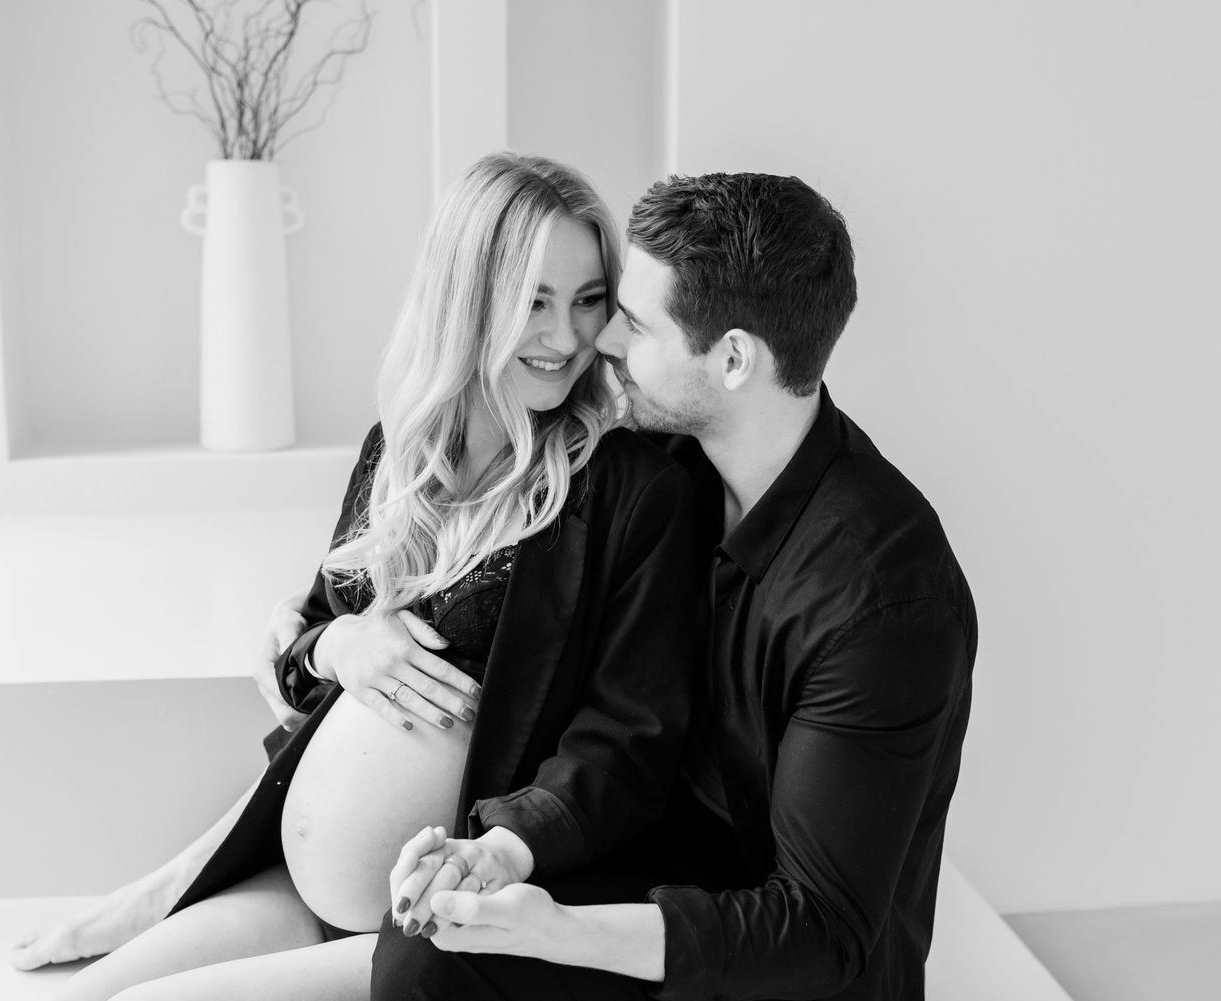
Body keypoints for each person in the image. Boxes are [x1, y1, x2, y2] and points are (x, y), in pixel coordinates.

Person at [10, 152, 703, 1001]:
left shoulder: (631, 487)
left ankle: (166, 893)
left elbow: (630, 738)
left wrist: (503, 848)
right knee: (83, 997)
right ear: (469, 298)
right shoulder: (400, 453)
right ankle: (164, 891)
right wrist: (337, 644)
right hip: (299, 885)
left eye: (588, 300)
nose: (565, 337)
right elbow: (303, 651)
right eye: (533, 301)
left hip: (428, 920)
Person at [365, 172, 978, 1000]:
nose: (604, 339)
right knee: (431, 951)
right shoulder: (668, 466)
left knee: (433, 964)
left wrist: (559, 931)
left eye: (638, 322)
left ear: (733, 358)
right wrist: (324, 635)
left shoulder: (882, 599)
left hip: (771, 967)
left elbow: (820, 931)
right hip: (658, 870)